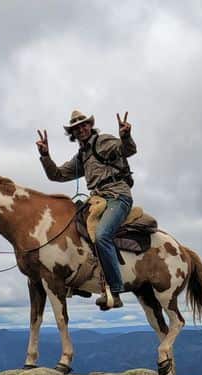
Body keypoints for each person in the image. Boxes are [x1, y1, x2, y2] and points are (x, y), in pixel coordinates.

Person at [36, 110, 136, 310]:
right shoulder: (82, 156)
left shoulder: (103, 141)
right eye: (76, 128)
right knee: (70, 230)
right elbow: (57, 175)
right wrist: (45, 155)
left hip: (118, 196)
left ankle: (115, 291)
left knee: (102, 236)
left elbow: (126, 150)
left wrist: (125, 136)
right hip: (98, 200)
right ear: (73, 133)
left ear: (90, 125)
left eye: (83, 125)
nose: (81, 129)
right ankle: (79, 282)